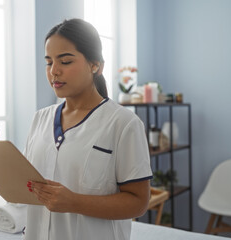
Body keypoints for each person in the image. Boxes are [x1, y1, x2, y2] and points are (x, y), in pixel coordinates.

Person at [23, 18, 153, 240]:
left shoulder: (123, 123)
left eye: (65, 61)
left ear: (96, 65)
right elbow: (29, 186)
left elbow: (138, 203)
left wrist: (74, 202)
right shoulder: (40, 119)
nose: (54, 71)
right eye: (48, 62)